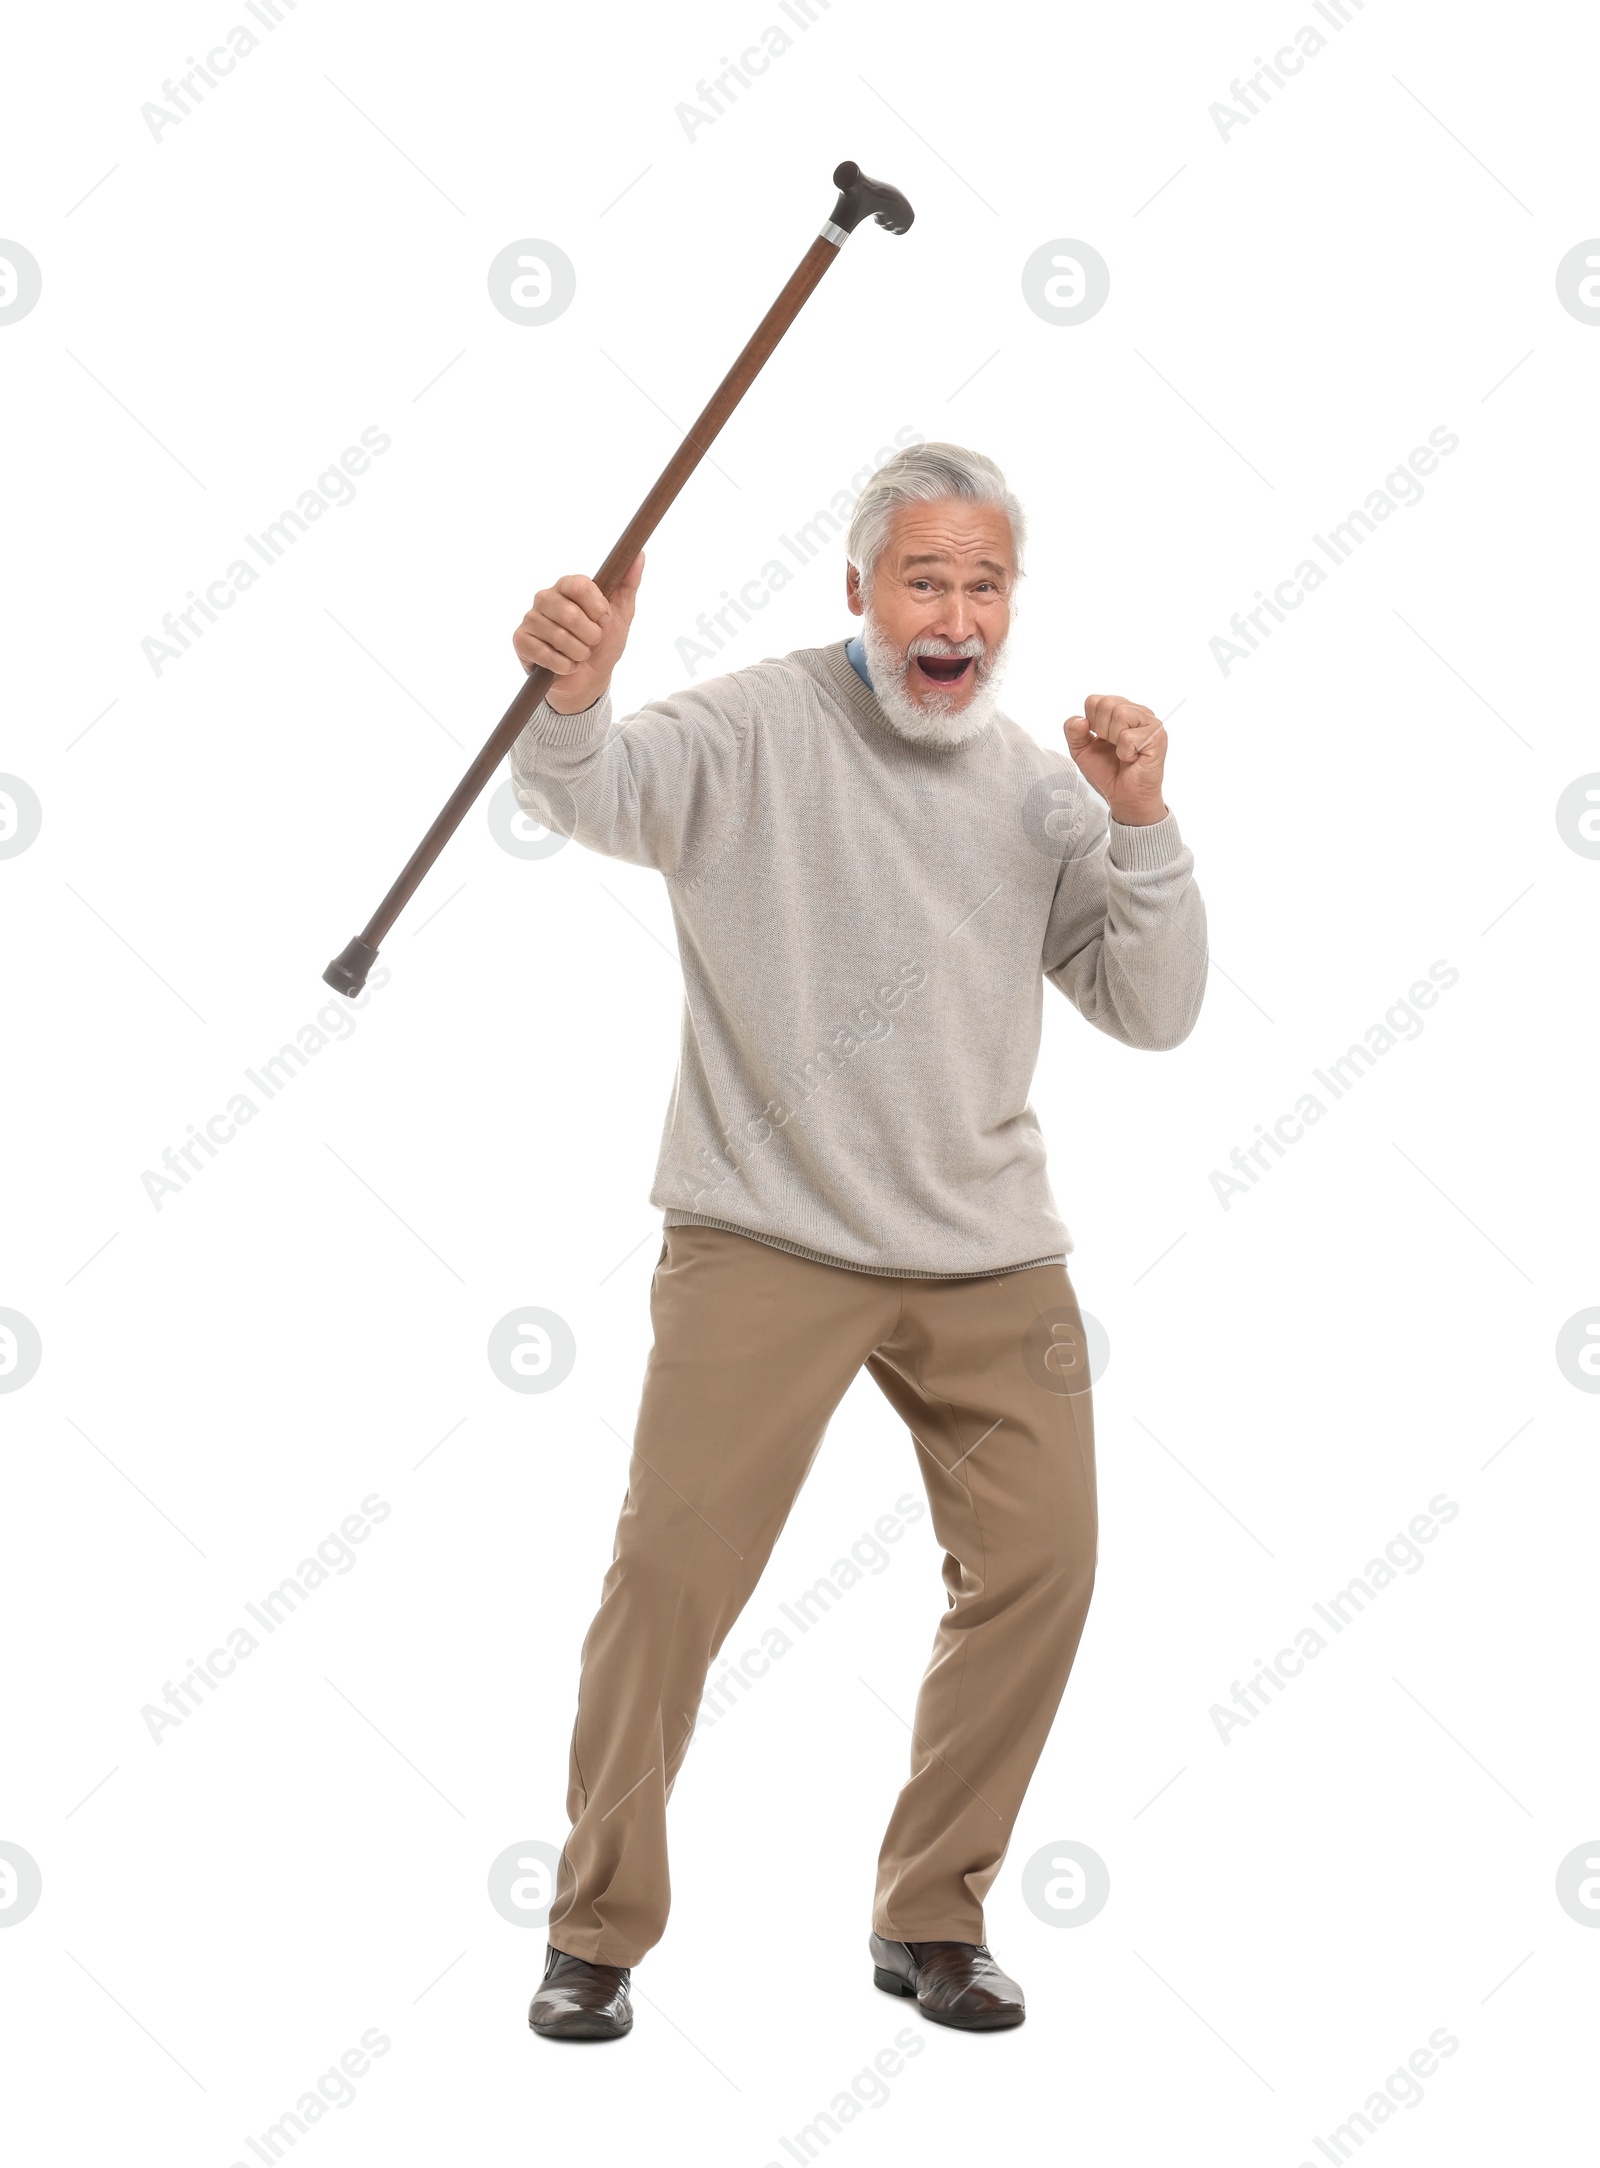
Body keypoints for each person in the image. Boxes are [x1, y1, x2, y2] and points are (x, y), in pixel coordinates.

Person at [509, 442, 1208, 2040]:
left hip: (987, 1244)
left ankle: (933, 1916)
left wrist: (1146, 826)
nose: (952, 614)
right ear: (857, 591)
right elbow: (585, 793)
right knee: (669, 1574)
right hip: (767, 1227)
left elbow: (1150, 1011)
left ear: (1008, 604)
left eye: (983, 585)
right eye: (923, 580)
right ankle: (596, 1929)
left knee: (1045, 1564)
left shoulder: (1044, 787)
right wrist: (575, 695)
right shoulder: (752, 726)